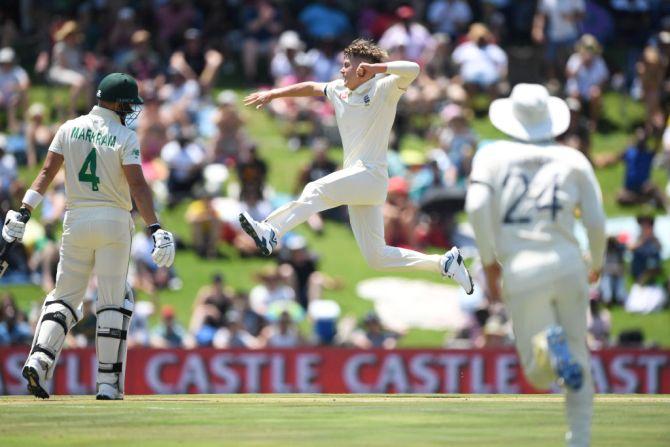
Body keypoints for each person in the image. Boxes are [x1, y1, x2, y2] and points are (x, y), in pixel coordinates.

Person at [242, 38, 473, 293]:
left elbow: (413, 69)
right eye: (342, 64)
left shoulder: (384, 88)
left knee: (315, 190)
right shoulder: (339, 89)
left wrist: (377, 70)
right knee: (376, 257)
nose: (342, 70)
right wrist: (274, 93)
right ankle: (445, 263)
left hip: (370, 175)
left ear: (363, 69)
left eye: (347, 65)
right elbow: (311, 87)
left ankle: (271, 230)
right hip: (360, 182)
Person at [2, 73, 176, 400]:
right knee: (113, 300)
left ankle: (40, 359)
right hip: (113, 220)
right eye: (128, 103)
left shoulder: (68, 127)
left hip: (76, 219)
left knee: (65, 297)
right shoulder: (125, 136)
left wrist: (23, 211)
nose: (130, 110)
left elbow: (44, 174)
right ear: (117, 102)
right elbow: (138, 186)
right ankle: (108, 386)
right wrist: (156, 228)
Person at [466, 83, 606, 447]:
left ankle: (547, 348)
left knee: (538, 375)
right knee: (579, 355)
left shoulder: (491, 156)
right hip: (568, 262)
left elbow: (477, 207)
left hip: (521, 267)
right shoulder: (574, 159)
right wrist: (597, 263)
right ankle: (580, 440)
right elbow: (596, 222)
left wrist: (489, 263)